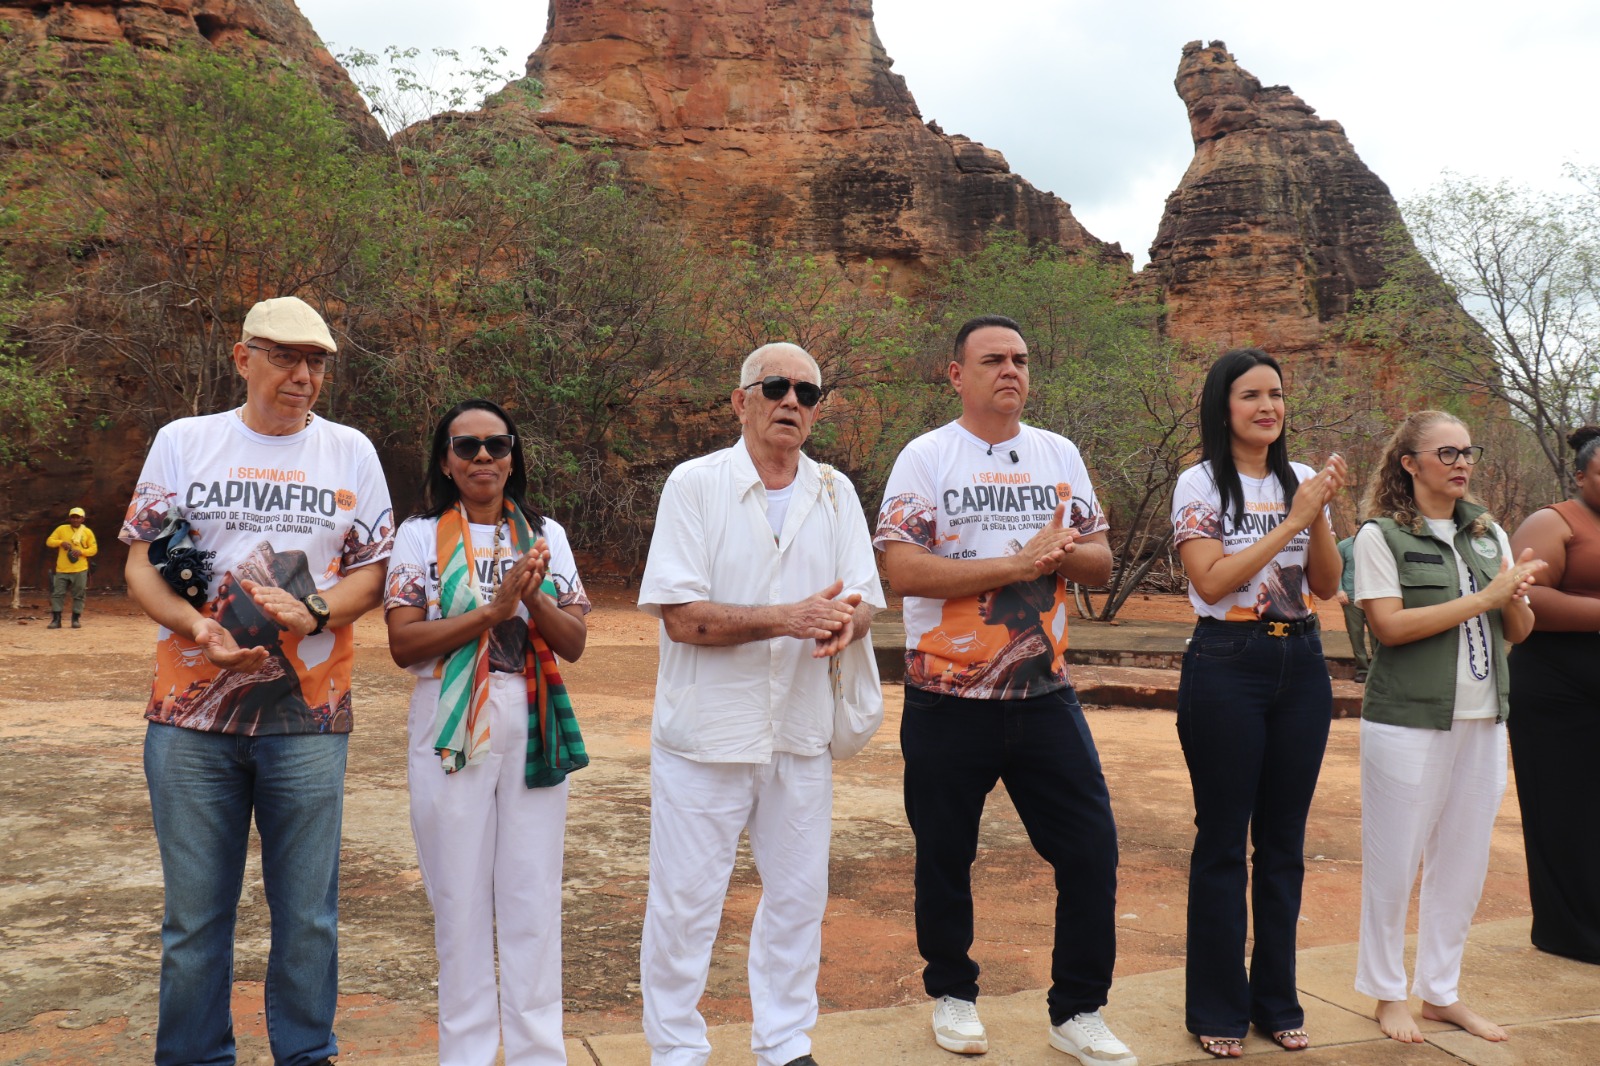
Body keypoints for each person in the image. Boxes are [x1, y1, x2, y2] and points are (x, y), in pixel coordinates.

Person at [120, 296, 394, 1066]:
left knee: (308, 915)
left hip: (307, 714)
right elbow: (140, 559)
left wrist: (311, 611)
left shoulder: (350, 452)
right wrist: (196, 626)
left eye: (316, 363)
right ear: (243, 359)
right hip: (188, 715)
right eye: (284, 357)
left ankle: (305, 1054)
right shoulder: (186, 442)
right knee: (194, 918)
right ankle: (195, 1056)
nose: (301, 376)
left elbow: (373, 572)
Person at [876, 315, 1135, 1065]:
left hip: (1045, 693)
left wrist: (1060, 554)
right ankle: (953, 995)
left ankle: (1078, 1009)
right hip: (945, 696)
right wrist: (1017, 565)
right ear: (955, 374)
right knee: (945, 854)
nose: (1010, 371)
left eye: (1020, 359)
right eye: (992, 360)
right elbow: (903, 571)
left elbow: (1099, 562)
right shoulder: (927, 458)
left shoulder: (1058, 454)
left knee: (1090, 850)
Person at [637, 342, 884, 1066]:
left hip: (799, 731)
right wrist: (790, 617)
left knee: (799, 898)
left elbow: (864, 602)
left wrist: (844, 622)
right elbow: (682, 616)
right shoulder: (695, 485)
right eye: (775, 386)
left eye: (807, 393)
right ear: (740, 400)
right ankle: (677, 1050)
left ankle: (783, 1043)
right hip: (706, 737)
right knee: (684, 904)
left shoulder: (835, 491)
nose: (791, 402)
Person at [385, 398, 591, 1063]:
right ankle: (467, 1054)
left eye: (496, 446)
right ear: (444, 461)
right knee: (460, 902)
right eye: (466, 446)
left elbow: (575, 640)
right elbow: (405, 644)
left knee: (532, 897)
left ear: (513, 457)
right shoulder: (419, 537)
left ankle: (538, 1053)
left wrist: (531, 598)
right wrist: (492, 611)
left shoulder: (545, 535)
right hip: (449, 714)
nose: (482, 457)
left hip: (530, 713)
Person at [1169, 348, 1344, 1059]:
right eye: (1251, 396)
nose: (1268, 407)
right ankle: (1217, 1006)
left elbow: (1327, 585)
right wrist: (1291, 518)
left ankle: (1277, 1001)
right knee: (1222, 842)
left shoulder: (1301, 478)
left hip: (1300, 660)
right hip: (1227, 664)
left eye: (1276, 394)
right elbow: (1210, 583)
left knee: (1283, 846)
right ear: (1224, 406)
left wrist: (1320, 512)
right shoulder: (1200, 482)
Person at [1352, 410, 1543, 1044]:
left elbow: (1518, 631)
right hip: (1408, 720)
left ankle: (1441, 992)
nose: (1462, 462)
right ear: (1410, 464)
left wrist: (1513, 599)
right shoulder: (1381, 536)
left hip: (1484, 718)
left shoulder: (1488, 533)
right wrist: (1486, 599)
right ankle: (1386, 993)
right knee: (1395, 861)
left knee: (1462, 863)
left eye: (1468, 451)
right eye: (1447, 452)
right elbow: (1390, 628)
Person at [1508, 425, 1600, 965]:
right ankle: (1570, 932)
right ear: (1581, 474)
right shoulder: (1554, 520)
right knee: (1565, 809)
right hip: (1557, 685)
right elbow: (1528, 596)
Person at [46, 505, 97, 628]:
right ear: (69, 518)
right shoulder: (61, 529)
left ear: (82, 519)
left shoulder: (87, 532)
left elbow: (93, 549)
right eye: (73, 517)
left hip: (80, 569)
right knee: (57, 594)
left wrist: (82, 552)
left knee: (79, 594)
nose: (75, 520)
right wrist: (60, 542)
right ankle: (56, 620)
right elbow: (49, 541)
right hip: (62, 569)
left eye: (78, 517)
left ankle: (75, 619)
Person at [1336, 532, 1371, 682]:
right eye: (1358, 525)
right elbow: (1337, 570)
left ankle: (1377, 670)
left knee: (1379, 635)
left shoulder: (1378, 542)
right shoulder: (1344, 546)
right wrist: (1339, 590)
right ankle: (1362, 669)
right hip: (1351, 596)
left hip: (1373, 597)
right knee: (1355, 634)